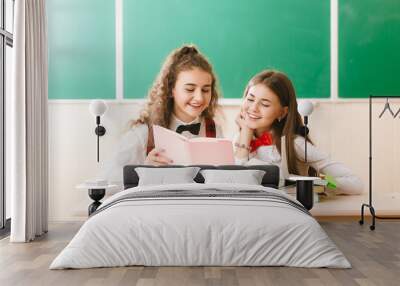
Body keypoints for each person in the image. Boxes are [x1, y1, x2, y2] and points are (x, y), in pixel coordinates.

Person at [100, 44, 223, 185]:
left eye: (206, 90)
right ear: (171, 89)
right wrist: (145, 171)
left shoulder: (214, 131)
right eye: (190, 89)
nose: (199, 98)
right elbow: (108, 182)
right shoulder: (143, 134)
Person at [234, 70, 363, 195]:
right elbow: (236, 181)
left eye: (265, 104)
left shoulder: (295, 144)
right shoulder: (237, 140)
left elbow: (355, 183)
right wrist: (245, 133)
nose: (253, 108)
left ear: (282, 112)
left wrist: (318, 184)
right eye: (250, 100)